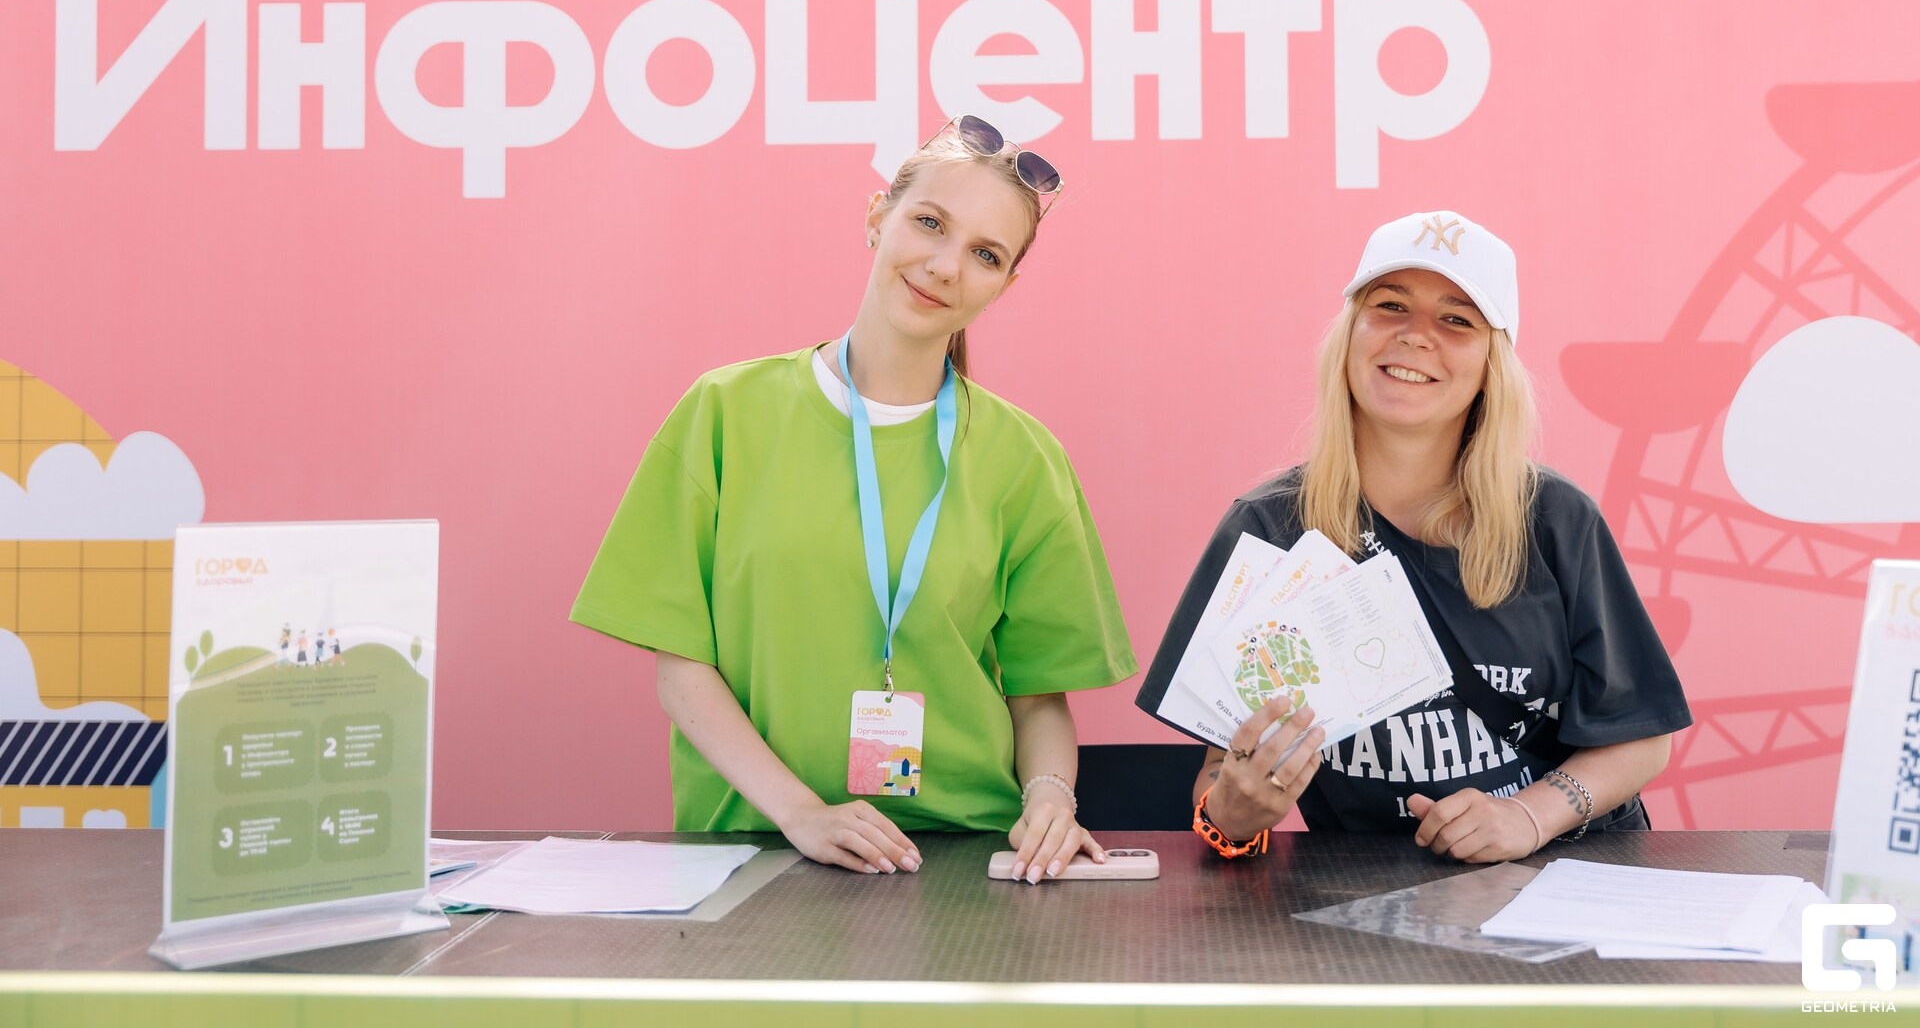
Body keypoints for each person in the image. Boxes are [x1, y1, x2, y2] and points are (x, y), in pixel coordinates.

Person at [572, 116, 1136, 883]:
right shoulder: (725, 414)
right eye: (930, 223)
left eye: (985, 254)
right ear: (877, 215)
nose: (945, 266)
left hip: (958, 862)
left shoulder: (1025, 459)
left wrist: (1049, 800)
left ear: (1006, 284)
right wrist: (801, 813)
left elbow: (1038, 699)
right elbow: (682, 669)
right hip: (757, 849)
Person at [1143, 210, 1690, 863]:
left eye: (1457, 320)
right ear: (1351, 333)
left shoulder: (1554, 519)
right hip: (1367, 895)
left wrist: (1528, 816)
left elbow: (1641, 734)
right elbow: (1219, 776)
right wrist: (1234, 816)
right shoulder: (1268, 529)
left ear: (1492, 363)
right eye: (1390, 305)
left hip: (1567, 878)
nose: (1416, 335)